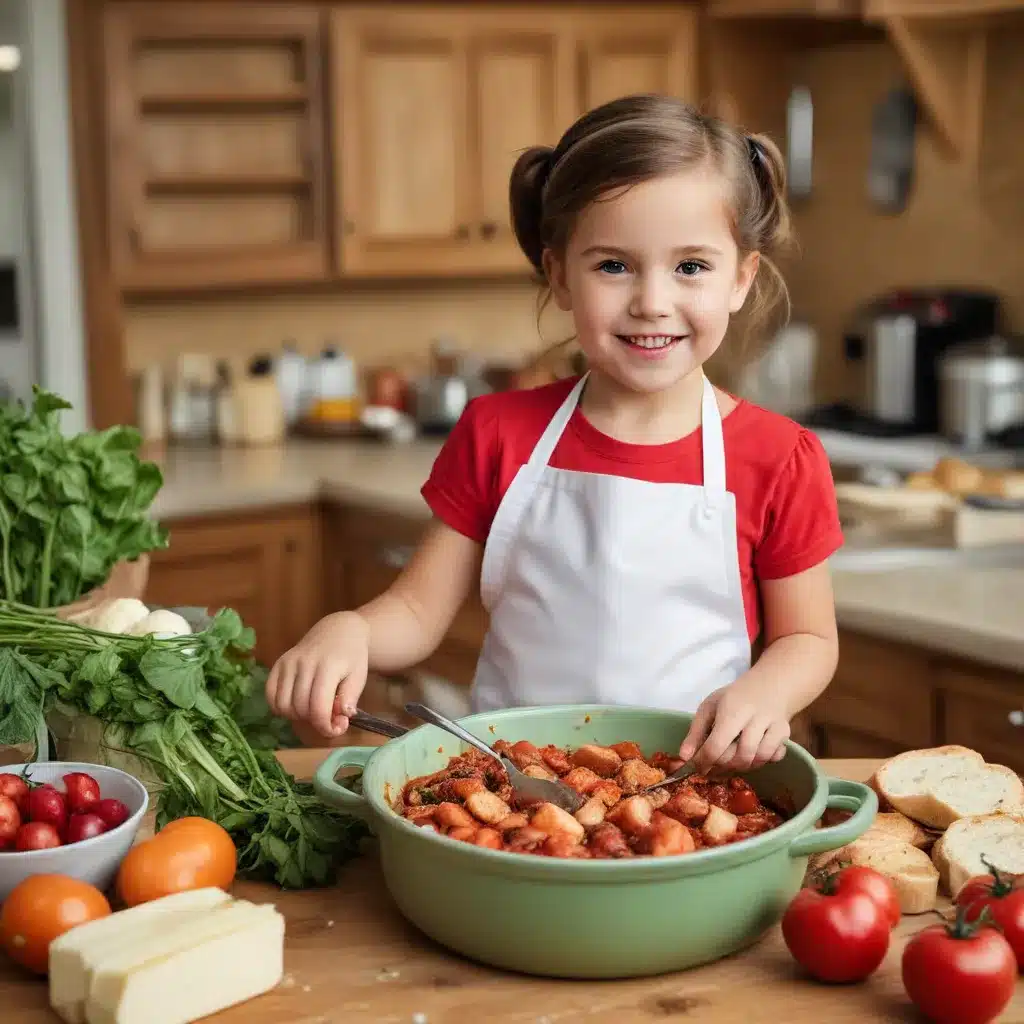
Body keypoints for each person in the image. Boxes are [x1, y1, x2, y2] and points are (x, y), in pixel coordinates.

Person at [266, 94, 843, 772]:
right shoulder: (498, 432)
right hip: (515, 787)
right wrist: (351, 630)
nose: (652, 301)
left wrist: (768, 690)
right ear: (559, 276)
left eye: (691, 266)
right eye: (613, 265)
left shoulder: (780, 457)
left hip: (694, 785)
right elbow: (417, 611)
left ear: (740, 279)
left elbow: (808, 637)